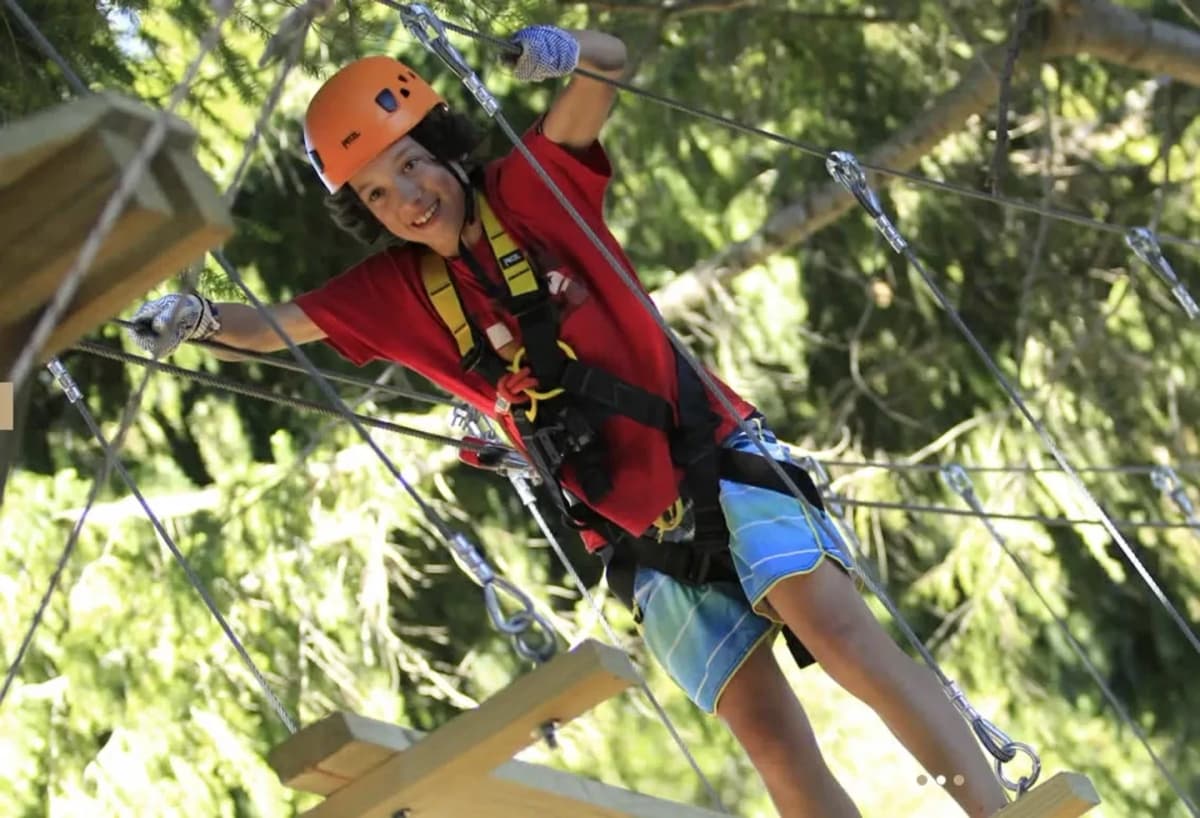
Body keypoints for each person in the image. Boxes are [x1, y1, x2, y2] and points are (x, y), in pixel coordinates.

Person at [129, 24, 1009, 818]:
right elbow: (279, 325)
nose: (406, 196)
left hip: (717, 463)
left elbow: (609, 72)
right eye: (376, 194)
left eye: (410, 163)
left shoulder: (534, 189)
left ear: (443, 145)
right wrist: (200, 322)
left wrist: (567, 51)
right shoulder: (394, 293)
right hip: (639, 542)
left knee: (843, 637)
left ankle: (989, 809)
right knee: (773, 743)